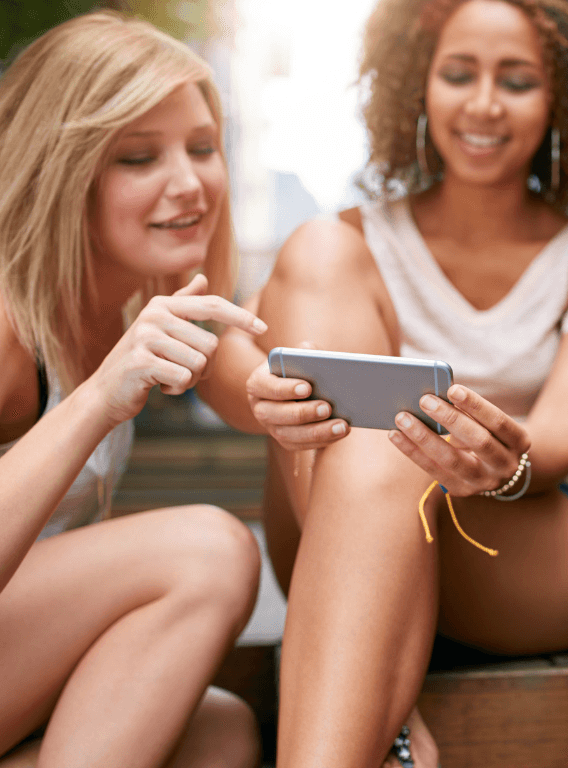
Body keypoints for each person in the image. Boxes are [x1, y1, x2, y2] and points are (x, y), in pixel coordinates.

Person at [203, 0, 568, 764]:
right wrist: (265, 392)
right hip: (343, 525)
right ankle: (389, 709)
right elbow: (232, 356)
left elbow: (554, 445)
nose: (483, 103)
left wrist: (489, 457)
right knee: (355, 417)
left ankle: (368, 699)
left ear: (566, 99)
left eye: (516, 81)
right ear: (420, 84)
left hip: (519, 545)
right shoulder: (348, 240)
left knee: (383, 458)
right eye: (459, 74)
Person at [0, 12, 268, 768]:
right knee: (207, 550)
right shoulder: (11, 324)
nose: (189, 183)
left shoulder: (144, 307)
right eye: (139, 157)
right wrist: (95, 400)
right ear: (64, 171)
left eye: (204, 148)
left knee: (221, 733)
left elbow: (275, 395)